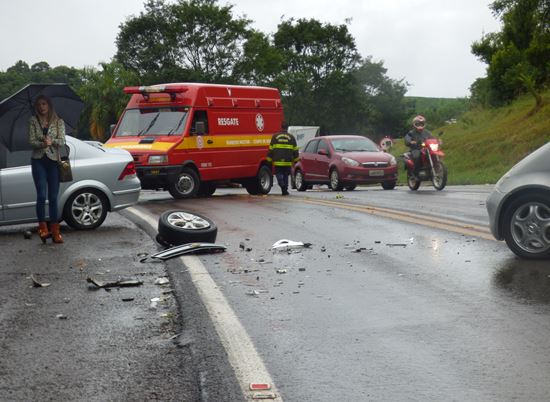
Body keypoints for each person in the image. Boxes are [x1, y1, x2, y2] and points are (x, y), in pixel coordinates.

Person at [28, 95, 66, 244]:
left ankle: (56, 231)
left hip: (53, 162)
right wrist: (42, 144)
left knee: (53, 197)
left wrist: (52, 142)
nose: (41, 107)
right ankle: (43, 229)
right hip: (38, 161)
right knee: (41, 195)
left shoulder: (58, 122)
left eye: (44, 104)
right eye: (38, 104)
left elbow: (62, 141)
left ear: (49, 105)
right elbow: (31, 141)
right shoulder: (32, 120)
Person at [266, 122, 299, 195]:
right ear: (287, 128)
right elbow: (295, 150)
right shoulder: (291, 137)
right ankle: (285, 190)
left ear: (281, 127)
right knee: (286, 175)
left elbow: (271, 149)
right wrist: (296, 160)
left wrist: (269, 160)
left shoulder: (275, 136)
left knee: (279, 173)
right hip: (288, 161)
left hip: (278, 161)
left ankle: (282, 185)